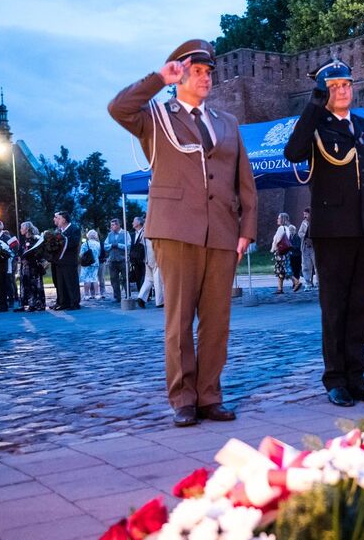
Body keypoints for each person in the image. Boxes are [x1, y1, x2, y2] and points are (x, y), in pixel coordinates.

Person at [109, 38, 258, 426]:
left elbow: (245, 181)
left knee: (216, 320)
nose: (206, 78)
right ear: (180, 74)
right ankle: (183, 398)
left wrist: (247, 229)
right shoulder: (155, 118)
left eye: (209, 72)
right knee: (178, 320)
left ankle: (210, 394)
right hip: (176, 230)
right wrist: (159, 78)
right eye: (197, 71)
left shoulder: (227, 122)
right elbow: (117, 107)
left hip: (223, 233)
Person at [284, 57, 364, 408]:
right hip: (333, 233)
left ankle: (357, 376)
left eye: (346, 85)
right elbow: (293, 151)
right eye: (334, 87)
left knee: (362, 307)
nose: (343, 90)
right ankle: (335, 379)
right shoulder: (316, 126)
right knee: (335, 307)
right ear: (323, 92)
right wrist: (313, 104)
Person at [53, 211, 81, 310]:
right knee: (61, 284)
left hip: (69, 261)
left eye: (59, 218)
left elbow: (73, 242)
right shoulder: (59, 230)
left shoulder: (74, 229)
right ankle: (63, 302)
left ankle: (74, 302)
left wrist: (61, 241)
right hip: (59, 261)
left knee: (71, 282)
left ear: (64, 220)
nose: (57, 220)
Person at [271, 213, 301, 294]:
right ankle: (280, 288)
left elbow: (277, 240)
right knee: (281, 269)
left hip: (280, 252)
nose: (277, 219)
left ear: (282, 219)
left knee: (283, 269)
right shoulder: (287, 228)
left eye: (278, 218)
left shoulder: (281, 228)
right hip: (285, 251)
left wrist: (273, 249)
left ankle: (296, 282)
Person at [137, 224, 164, 308]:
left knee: (148, 279)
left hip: (146, 258)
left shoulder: (143, 230)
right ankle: (159, 302)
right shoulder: (154, 228)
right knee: (157, 280)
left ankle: (141, 297)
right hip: (154, 256)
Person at [104, 219, 128, 302]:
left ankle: (128, 295)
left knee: (126, 278)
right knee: (114, 279)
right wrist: (111, 245)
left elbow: (128, 246)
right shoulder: (109, 234)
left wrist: (118, 245)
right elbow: (105, 246)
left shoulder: (125, 233)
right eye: (111, 225)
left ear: (118, 225)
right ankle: (117, 297)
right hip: (112, 260)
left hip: (122, 260)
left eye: (113, 225)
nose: (111, 227)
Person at [79, 230, 103, 300]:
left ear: (88, 236)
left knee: (87, 279)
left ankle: (87, 295)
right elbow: (99, 254)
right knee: (95, 278)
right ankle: (97, 294)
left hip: (86, 263)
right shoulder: (98, 244)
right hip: (95, 263)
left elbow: (81, 254)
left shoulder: (85, 244)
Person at [298, 207, 317, 290]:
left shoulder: (316, 222)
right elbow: (300, 232)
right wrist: (304, 237)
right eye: (304, 214)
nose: (304, 216)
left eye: (306, 214)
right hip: (305, 247)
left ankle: (318, 283)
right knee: (306, 266)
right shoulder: (304, 222)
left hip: (314, 247)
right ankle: (307, 283)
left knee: (317, 266)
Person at [130, 216, 147, 289]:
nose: (132, 223)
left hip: (143, 258)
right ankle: (140, 293)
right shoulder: (132, 235)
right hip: (135, 259)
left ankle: (146, 295)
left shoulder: (145, 232)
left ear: (139, 223)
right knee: (137, 276)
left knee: (145, 276)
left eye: (134, 221)